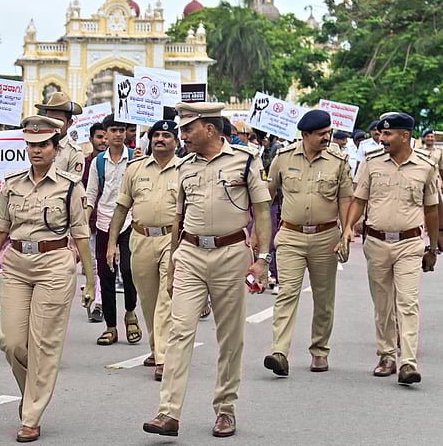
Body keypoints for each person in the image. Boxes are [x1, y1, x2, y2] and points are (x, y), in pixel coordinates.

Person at [144, 102, 271, 439]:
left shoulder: (246, 161)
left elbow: (262, 211)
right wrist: (172, 262)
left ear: (210, 129)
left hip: (231, 254)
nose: (181, 135)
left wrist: (263, 258)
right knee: (179, 331)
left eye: (187, 129)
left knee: (230, 337)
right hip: (190, 253)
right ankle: (168, 412)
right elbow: (178, 220)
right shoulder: (184, 167)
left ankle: (225, 409)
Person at [0, 115, 96, 443]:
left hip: (55, 264)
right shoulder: (12, 183)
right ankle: (33, 391)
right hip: (16, 264)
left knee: (43, 343)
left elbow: (81, 234)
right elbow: (0, 229)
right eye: (31, 145)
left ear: (56, 149)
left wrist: (90, 278)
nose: (36, 151)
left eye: (43, 145)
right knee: (12, 342)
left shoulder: (70, 186)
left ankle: (31, 415)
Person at [342, 112, 438, 385]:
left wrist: (432, 247)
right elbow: (359, 200)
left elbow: (431, 209)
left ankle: (408, 361)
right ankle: (386, 355)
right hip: (377, 242)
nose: (381, 138)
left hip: (409, 243)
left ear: (404, 136)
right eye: (381, 134)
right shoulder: (371, 163)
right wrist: (349, 227)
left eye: (387, 134)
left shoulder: (425, 166)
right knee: (383, 304)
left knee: (407, 302)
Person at [262, 110, 352, 376]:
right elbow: (267, 195)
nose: (327, 137)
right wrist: (258, 230)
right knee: (287, 292)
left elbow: (346, 200)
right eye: (321, 134)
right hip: (290, 236)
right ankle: (279, 352)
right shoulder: (283, 158)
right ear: (306, 135)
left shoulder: (339, 161)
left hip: (326, 237)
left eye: (329, 132)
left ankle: (319, 350)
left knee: (323, 298)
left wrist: (346, 232)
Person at [107, 119, 179, 381]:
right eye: (156, 135)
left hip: (172, 242)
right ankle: (156, 346)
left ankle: (163, 358)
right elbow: (121, 208)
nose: (160, 139)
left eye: (166, 136)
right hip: (140, 238)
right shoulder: (135, 169)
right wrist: (113, 243)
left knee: (165, 300)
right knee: (148, 301)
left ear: (176, 141)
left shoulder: (184, 170)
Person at [85, 115, 139, 345]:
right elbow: (90, 194)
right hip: (104, 222)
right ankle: (110, 326)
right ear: (105, 134)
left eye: (121, 130)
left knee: (128, 270)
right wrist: (82, 224)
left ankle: (130, 312)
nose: (118, 134)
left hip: (130, 221)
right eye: (113, 130)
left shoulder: (135, 159)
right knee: (106, 275)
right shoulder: (98, 162)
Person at [81, 122, 107, 322]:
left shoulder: (124, 161)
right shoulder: (85, 163)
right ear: (91, 139)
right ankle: (96, 301)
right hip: (90, 221)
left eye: (106, 136)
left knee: (108, 264)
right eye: (99, 137)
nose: (103, 141)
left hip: (114, 222)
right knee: (94, 264)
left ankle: (102, 301)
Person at [33, 92, 85, 176]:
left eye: (58, 121)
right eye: (49, 120)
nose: (53, 124)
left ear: (69, 123)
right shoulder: (35, 146)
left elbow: (72, 185)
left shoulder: (74, 153)